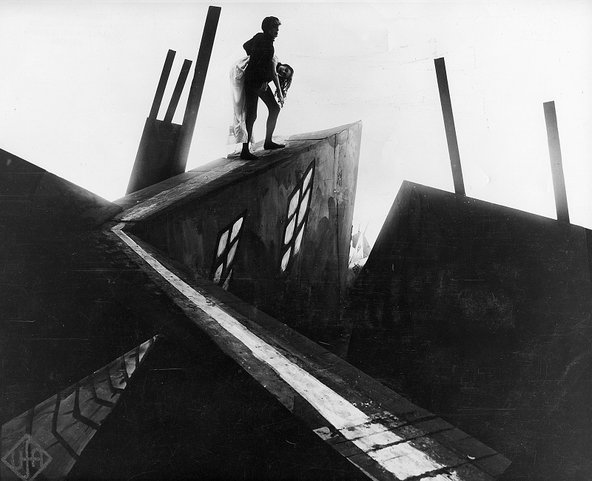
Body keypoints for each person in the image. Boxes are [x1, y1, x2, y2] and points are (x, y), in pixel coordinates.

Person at [240, 16, 286, 160]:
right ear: (267, 28)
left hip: (256, 80)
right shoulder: (266, 44)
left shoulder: (260, 38)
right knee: (252, 114)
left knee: (273, 108)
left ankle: (267, 142)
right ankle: (245, 150)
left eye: (277, 27)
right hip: (255, 82)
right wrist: (264, 80)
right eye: (274, 27)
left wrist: (251, 54)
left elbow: (245, 45)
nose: (277, 30)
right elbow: (261, 65)